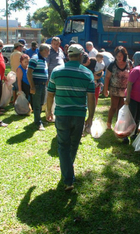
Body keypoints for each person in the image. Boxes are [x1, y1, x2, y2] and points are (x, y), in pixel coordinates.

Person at [46, 44, 95, 191]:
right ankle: (68, 176)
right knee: (73, 144)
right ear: (81, 56)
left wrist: (48, 110)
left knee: (63, 145)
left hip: (61, 115)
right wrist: (91, 117)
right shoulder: (87, 73)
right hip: (79, 115)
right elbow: (91, 98)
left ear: (68, 55)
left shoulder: (57, 71)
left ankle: (67, 175)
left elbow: (50, 94)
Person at [103, 46, 133, 139]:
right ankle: (109, 123)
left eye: (121, 56)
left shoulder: (129, 63)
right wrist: (105, 89)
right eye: (117, 55)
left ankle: (118, 124)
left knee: (121, 109)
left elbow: (132, 75)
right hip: (114, 89)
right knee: (114, 106)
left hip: (125, 90)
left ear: (124, 56)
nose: (119, 58)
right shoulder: (112, 64)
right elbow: (107, 77)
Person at [27, 44, 50, 131]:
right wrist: (32, 86)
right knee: (36, 104)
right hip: (37, 84)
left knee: (40, 103)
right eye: (47, 51)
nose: (48, 53)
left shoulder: (43, 60)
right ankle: (38, 122)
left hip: (43, 84)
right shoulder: (35, 58)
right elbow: (29, 72)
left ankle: (38, 119)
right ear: (43, 50)